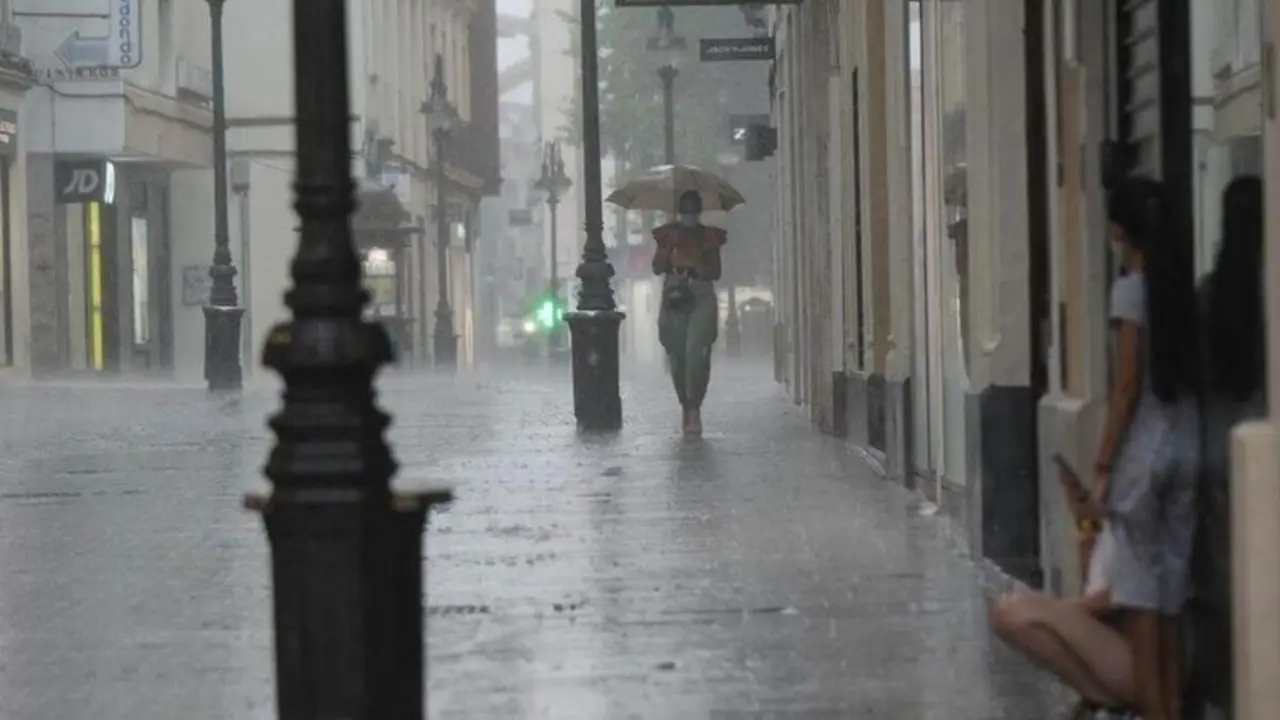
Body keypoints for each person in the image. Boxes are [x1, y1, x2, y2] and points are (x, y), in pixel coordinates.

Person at [1092, 175, 1201, 720]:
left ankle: (1156, 711)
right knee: (1174, 590)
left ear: (1120, 230)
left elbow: (1127, 384)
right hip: (1190, 443)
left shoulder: (1131, 289)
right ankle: (1177, 703)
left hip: (1147, 450)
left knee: (1139, 592)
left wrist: (1104, 462)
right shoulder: (1181, 288)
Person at [1188, 175, 1265, 716]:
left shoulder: (1210, 293)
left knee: (1223, 583)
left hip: (1214, 453)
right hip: (1260, 452)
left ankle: (1227, 692)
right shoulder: (1269, 291)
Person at [652, 190, 726, 434]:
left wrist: (694, 264)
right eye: (686, 211)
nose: (689, 216)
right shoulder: (667, 235)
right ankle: (685, 403)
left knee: (696, 351)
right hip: (674, 295)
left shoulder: (709, 237)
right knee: (678, 355)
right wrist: (670, 249)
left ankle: (694, 407)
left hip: (700, 295)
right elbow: (657, 266)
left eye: (693, 212)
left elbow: (715, 271)